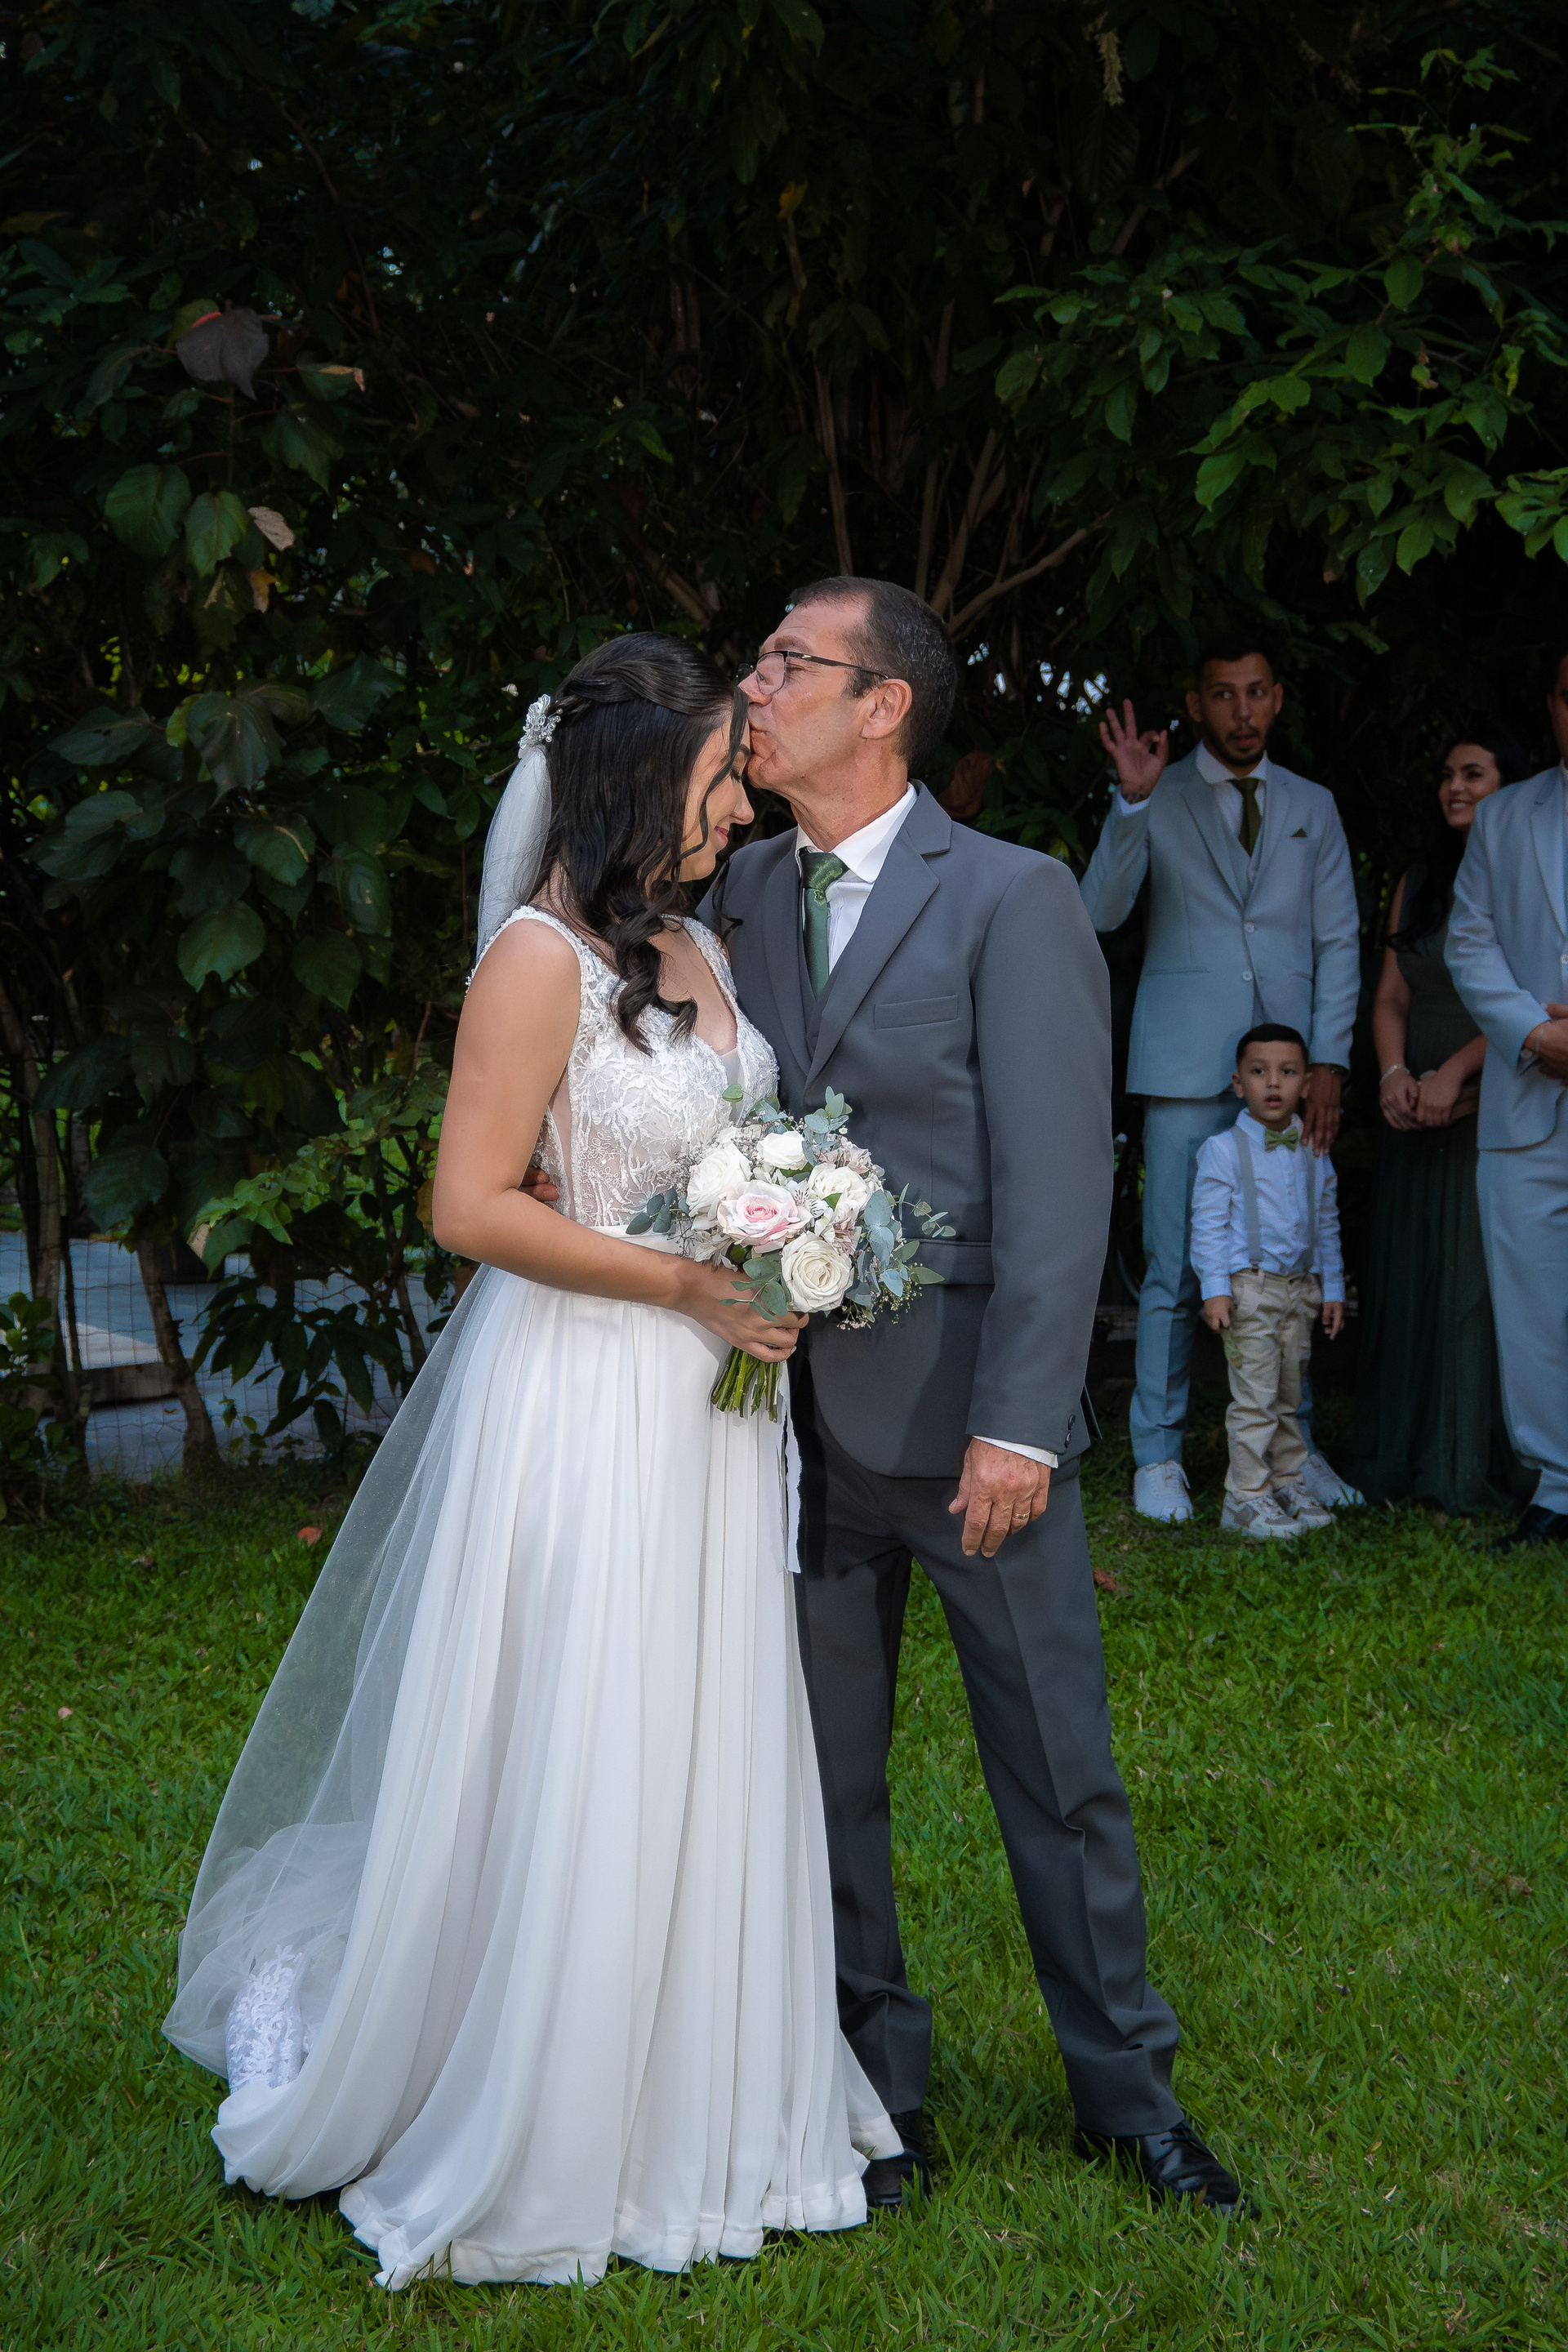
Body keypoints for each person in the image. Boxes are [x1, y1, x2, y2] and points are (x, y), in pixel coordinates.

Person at [162, 635, 903, 2290]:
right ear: (640, 778)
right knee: (587, 1717)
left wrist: (787, 1234)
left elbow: (732, 1140)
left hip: (713, 1416)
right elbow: (470, 1206)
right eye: (718, 776)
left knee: (700, 1723)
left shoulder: (701, 939)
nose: (739, 805)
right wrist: (689, 1285)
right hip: (583, 1395)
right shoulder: (534, 960)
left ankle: (705, 2093)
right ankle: (541, 2103)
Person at [708, 577, 1253, 2218]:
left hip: (968, 1430)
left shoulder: (1013, 895)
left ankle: (1127, 2094)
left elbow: (1059, 1174)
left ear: (883, 706)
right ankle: (871, 2093)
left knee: (1056, 1769)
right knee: (821, 1777)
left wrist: (1022, 1420)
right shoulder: (738, 889)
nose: (755, 686)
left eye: (787, 664)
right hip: (777, 1427)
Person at [1081, 639, 1362, 1526]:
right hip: (1183, 1063)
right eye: (1223, 695)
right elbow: (1099, 911)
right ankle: (1159, 1453)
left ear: (1276, 699)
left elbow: (1338, 940)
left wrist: (1329, 1061)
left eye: (1256, 692)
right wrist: (1132, 802)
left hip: (1288, 1070)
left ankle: (1293, 1446)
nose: (1243, 711)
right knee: (1174, 1264)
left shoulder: (1313, 806)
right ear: (1196, 704)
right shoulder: (1157, 793)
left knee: (1291, 1260)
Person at [1346, 729, 1531, 1514]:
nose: (1455, 786)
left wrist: (1454, 1074)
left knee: (1471, 1277)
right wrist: (1393, 1074)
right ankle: (1404, 1450)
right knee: (1411, 1265)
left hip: (1495, 1083)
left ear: (1510, 788)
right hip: (1411, 1096)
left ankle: (1467, 1459)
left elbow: (1533, 1004)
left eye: (1474, 774)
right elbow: (1392, 993)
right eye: (1448, 774)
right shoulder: (1419, 879)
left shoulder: (1532, 876)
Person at [1446, 651, 1568, 1552]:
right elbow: (1470, 942)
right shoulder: (1503, 817)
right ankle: (1558, 1486)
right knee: (1531, 1305)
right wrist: (1533, 1032)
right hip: (1527, 1100)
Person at [1192, 1027, 1346, 1539]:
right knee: (1255, 1398)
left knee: (1288, 1395)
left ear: (1308, 1084)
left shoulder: (1314, 1150)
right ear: (1239, 1084)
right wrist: (1215, 1288)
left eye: (1288, 1072)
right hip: (1250, 1291)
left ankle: (1287, 1481)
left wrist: (1333, 1288)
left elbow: (1326, 1224)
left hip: (1300, 1290)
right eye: (1259, 1072)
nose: (1273, 1083)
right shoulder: (1222, 1150)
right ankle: (1244, 1496)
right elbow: (1209, 1226)